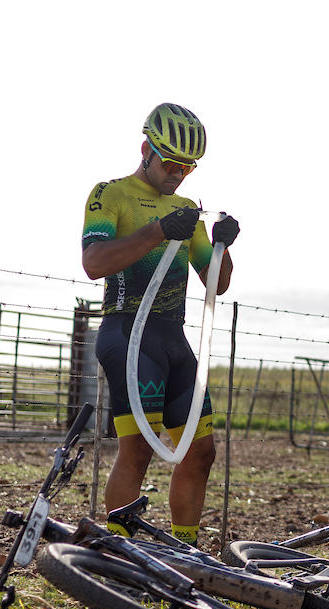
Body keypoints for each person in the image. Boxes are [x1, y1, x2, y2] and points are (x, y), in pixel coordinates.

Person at [82, 103, 240, 546]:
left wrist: (223, 246)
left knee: (201, 452)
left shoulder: (188, 208)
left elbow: (217, 284)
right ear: (146, 148)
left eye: (187, 167)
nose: (178, 174)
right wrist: (156, 231)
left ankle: (184, 552)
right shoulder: (110, 194)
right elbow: (93, 263)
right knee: (138, 450)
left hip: (174, 337)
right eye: (170, 162)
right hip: (127, 333)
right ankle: (116, 551)